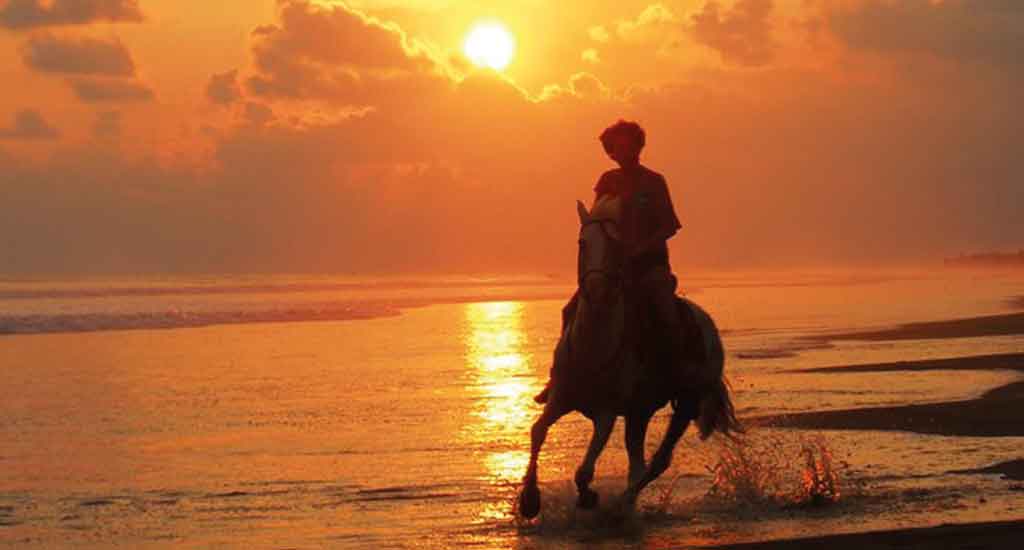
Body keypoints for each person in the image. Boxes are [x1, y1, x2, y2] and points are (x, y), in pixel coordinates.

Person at [534, 120, 685, 404]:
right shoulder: (607, 181)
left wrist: (641, 247)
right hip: (614, 269)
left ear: (638, 146)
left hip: (650, 266)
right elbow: (598, 221)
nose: (621, 150)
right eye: (615, 146)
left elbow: (669, 226)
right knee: (570, 311)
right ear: (611, 151)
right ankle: (559, 378)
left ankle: (678, 375)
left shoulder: (654, 181)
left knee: (666, 314)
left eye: (627, 144)